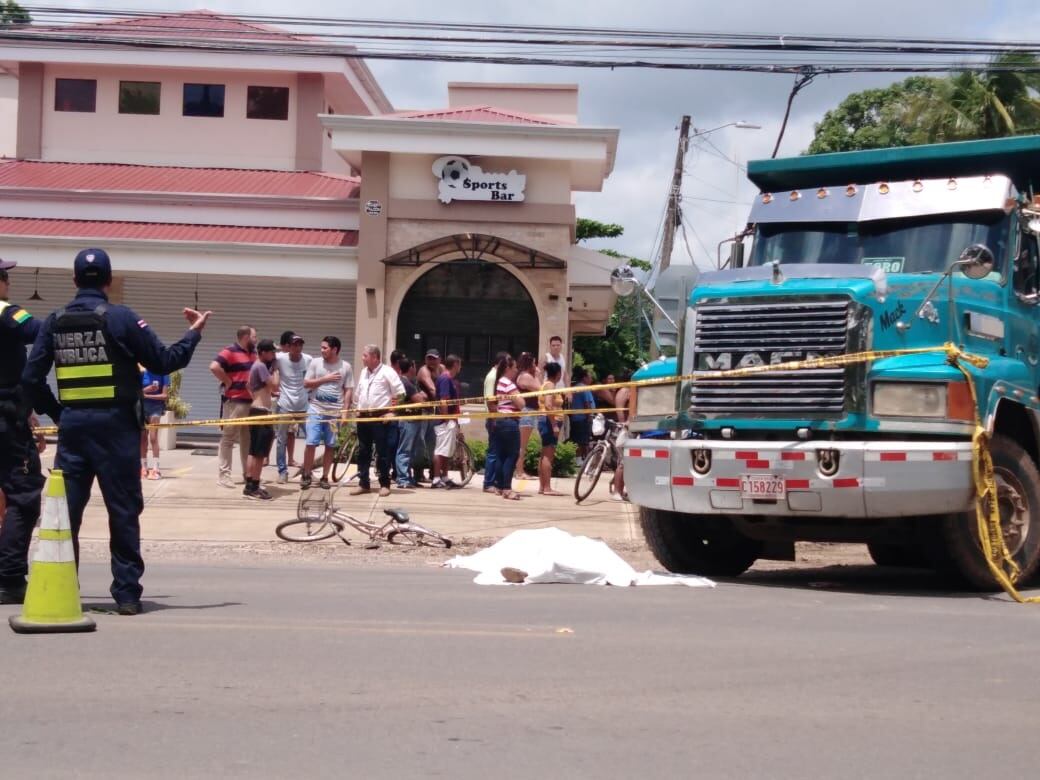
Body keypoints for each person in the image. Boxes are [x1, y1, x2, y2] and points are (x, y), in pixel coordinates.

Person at [21, 247, 210, 615]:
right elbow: (164, 361)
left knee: (66, 514)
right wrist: (193, 333)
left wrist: (58, 412)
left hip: (74, 430)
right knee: (122, 510)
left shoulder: (54, 322)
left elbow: (30, 378)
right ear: (108, 281)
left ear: (74, 280)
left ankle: (63, 589)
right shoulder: (122, 318)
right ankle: (126, 595)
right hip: (117, 430)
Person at [0, 259, 61, 605]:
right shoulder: (7, 313)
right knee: (22, 497)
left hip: (12, 414)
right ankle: (9, 579)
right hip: (6, 423)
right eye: (5, 278)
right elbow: (42, 334)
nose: (8, 284)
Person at [351, 345, 405, 497]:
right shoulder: (363, 372)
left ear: (375, 357)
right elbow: (359, 393)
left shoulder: (388, 372)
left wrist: (393, 412)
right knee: (363, 451)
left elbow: (401, 393)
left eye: (365, 355)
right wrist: (356, 408)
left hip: (381, 417)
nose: (362, 358)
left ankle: (384, 484)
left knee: (383, 452)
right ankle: (363, 483)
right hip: (363, 417)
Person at [301, 336, 353, 491]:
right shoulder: (315, 363)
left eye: (325, 348)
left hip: (334, 414)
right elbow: (306, 383)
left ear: (335, 349)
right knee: (311, 442)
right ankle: (306, 474)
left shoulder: (346, 367)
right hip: (315, 409)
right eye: (321, 347)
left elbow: (348, 390)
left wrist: (345, 412)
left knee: (330, 445)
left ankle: (325, 477)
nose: (322, 350)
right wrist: (325, 378)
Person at [210, 325, 256, 488]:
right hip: (235, 402)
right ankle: (224, 476)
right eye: (254, 337)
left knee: (247, 440)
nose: (256, 340)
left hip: (250, 402)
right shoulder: (230, 351)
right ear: (246, 337)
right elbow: (214, 366)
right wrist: (227, 381)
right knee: (228, 438)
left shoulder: (253, 353)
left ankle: (247, 474)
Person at [243, 339, 279, 500]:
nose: (273, 355)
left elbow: (248, 385)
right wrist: (276, 370)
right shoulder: (261, 366)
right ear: (263, 352)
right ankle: (254, 486)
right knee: (259, 453)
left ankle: (250, 484)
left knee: (253, 450)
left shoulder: (257, 366)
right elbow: (275, 385)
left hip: (256, 410)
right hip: (261, 412)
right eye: (272, 352)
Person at [274, 332, 311, 484]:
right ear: (288, 347)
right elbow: (264, 358)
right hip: (285, 405)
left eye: (300, 344)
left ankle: (307, 471)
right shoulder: (280, 359)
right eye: (295, 344)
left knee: (311, 438)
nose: (298, 347)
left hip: (303, 406)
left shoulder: (308, 359)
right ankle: (282, 472)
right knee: (281, 440)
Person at [491, 355, 525, 501]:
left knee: (501, 455)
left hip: (500, 421)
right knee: (512, 455)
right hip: (509, 422)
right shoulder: (508, 383)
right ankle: (507, 488)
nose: (516, 370)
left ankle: (499, 486)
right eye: (515, 367)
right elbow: (521, 403)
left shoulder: (499, 382)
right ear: (508, 368)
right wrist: (520, 398)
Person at [394, 358, 426, 489]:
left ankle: (408, 478)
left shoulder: (410, 382)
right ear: (411, 368)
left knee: (411, 452)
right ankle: (403, 479)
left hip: (413, 420)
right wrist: (422, 395)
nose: (416, 368)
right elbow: (420, 399)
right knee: (405, 450)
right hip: (408, 421)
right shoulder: (405, 383)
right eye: (414, 366)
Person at [432, 354, 463, 489]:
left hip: (450, 419)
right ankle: (436, 479)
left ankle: (444, 477)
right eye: (460, 364)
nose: (460, 367)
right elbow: (443, 400)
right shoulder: (445, 378)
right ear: (455, 364)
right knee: (440, 450)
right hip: (444, 421)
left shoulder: (449, 379)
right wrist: (446, 419)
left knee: (447, 450)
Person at [482, 350, 508, 494]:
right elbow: (490, 400)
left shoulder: (497, 376)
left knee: (498, 451)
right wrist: (495, 417)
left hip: (496, 417)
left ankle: (495, 482)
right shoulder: (493, 377)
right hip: (494, 418)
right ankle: (488, 483)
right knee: (493, 452)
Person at [537, 362, 565, 496]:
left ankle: (542, 486)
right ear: (558, 374)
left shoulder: (544, 385)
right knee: (548, 455)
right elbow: (548, 405)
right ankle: (547, 487)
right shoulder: (550, 386)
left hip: (545, 420)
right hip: (549, 421)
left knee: (544, 454)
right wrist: (554, 425)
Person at [415, 348, 442, 481]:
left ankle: (433, 472)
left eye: (433, 358)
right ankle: (418, 473)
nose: (431, 361)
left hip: (432, 410)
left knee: (433, 443)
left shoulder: (441, 369)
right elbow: (432, 389)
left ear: (439, 359)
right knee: (420, 443)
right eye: (429, 358)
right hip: (422, 411)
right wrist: (446, 399)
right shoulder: (424, 370)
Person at [139, 365, 169, 480]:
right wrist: (147, 389)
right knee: (142, 438)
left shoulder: (163, 373)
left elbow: (165, 396)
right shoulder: (142, 373)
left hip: (155, 409)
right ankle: (143, 467)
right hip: (142, 408)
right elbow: (136, 392)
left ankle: (156, 468)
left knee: (153, 437)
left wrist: (148, 395)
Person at [514, 352, 540, 480]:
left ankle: (520, 470)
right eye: (534, 363)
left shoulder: (524, 375)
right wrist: (538, 375)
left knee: (523, 444)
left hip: (530, 411)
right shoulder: (525, 376)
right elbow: (541, 388)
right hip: (527, 412)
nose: (535, 366)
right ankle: (519, 471)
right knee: (522, 444)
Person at [611, 370, 633, 502]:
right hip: (626, 430)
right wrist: (624, 423)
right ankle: (617, 491)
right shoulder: (625, 391)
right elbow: (620, 411)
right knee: (623, 463)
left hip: (629, 429)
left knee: (627, 463)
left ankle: (621, 490)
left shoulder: (628, 390)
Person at [568, 366, 595, 464]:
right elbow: (587, 404)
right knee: (583, 441)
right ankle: (581, 460)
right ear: (584, 378)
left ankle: (579, 459)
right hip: (583, 418)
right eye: (590, 377)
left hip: (575, 418)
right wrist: (589, 416)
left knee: (578, 439)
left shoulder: (575, 388)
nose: (591, 379)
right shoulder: (584, 388)